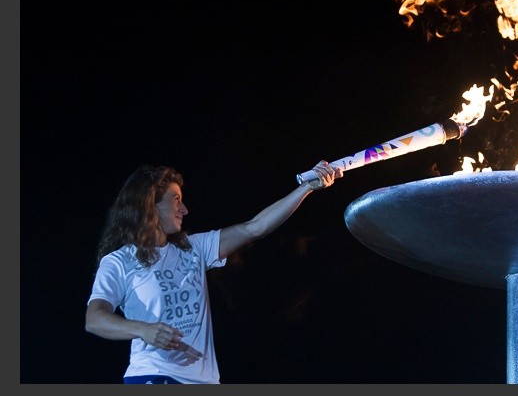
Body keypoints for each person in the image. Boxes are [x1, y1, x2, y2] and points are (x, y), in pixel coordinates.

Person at [85, 160, 342, 384]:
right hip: (154, 377)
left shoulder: (195, 248)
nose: (185, 209)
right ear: (150, 204)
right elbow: (94, 319)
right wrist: (142, 329)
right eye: (176, 199)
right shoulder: (119, 262)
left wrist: (307, 187)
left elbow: (256, 228)